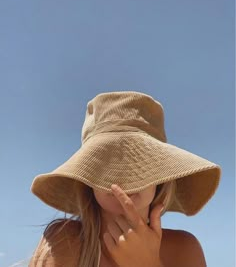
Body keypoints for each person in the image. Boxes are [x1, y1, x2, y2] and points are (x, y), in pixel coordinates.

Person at [29, 91, 221, 267]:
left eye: (139, 160)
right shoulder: (65, 239)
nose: (123, 177)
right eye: (107, 162)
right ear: (87, 178)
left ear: (161, 178)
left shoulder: (184, 249)